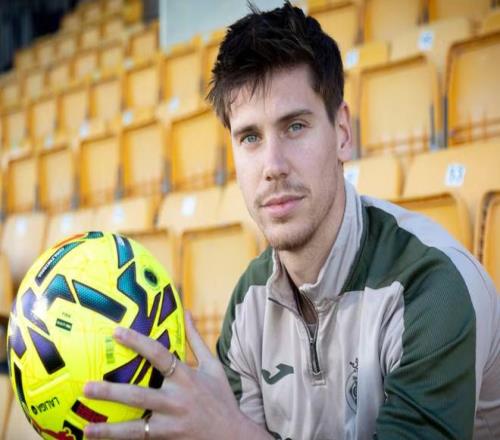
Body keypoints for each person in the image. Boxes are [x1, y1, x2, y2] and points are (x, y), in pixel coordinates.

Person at [83, 2, 500, 439]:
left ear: (342, 132)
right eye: (250, 137)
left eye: (295, 126)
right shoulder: (249, 302)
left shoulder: (432, 286)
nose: (273, 166)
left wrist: (230, 431)